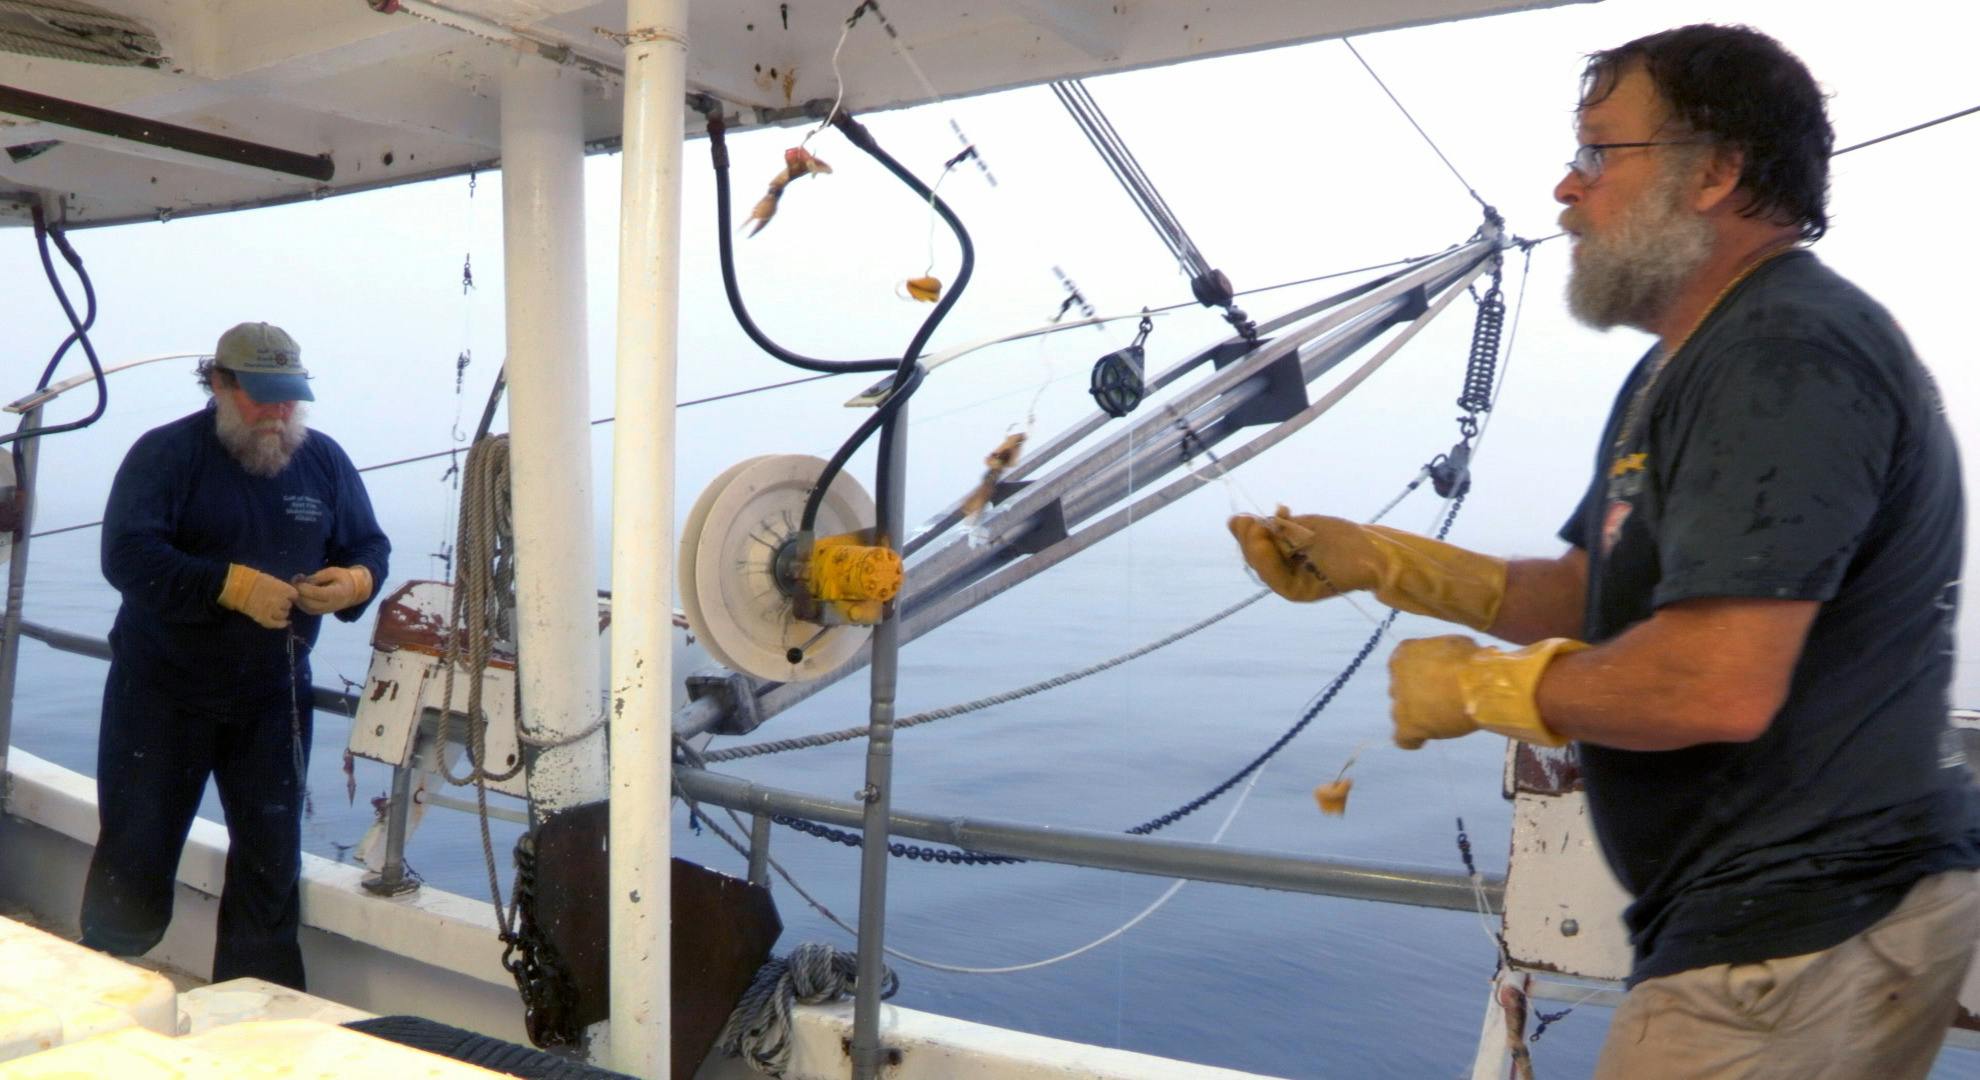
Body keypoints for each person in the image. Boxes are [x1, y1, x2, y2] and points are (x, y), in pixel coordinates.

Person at [1230, 24, 1977, 1080]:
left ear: (1715, 173)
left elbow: (1714, 683)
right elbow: (1592, 592)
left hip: (1804, 927)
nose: (1565, 188)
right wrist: (1386, 562)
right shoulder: (1690, 360)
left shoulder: (1783, 354)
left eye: (1597, 151)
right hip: (1774, 919)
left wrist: (1488, 690)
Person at [80, 321, 390, 991]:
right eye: (262, 395)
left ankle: (259, 1007)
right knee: (136, 849)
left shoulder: (324, 461)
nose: (278, 411)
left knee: (271, 863)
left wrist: (356, 581)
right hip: (161, 694)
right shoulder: (166, 454)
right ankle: (103, 989)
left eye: (289, 395)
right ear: (219, 383)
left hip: (273, 698)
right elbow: (126, 556)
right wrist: (230, 585)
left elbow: (368, 544)